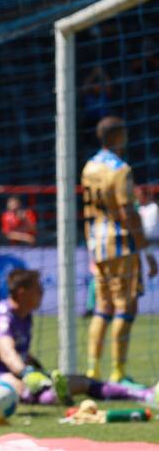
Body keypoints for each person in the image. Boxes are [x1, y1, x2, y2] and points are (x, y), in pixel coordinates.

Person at [0, 268, 156, 410]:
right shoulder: (1, 317)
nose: (42, 293)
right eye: (38, 289)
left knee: (82, 382)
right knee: (21, 390)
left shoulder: (25, 315)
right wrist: (28, 373)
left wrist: (41, 372)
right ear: (22, 292)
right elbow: (8, 354)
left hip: (19, 372)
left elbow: (22, 353)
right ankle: (49, 395)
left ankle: (144, 394)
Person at [81, 116, 157, 386]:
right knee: (126, 305)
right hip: (122, 245)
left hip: (97, 244)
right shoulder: (121, 169)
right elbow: (127, 212)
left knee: (103, 307)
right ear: (116, 137)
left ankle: (92, 370)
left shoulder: (89, 167)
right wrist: (146, 251)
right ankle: (118, 372)